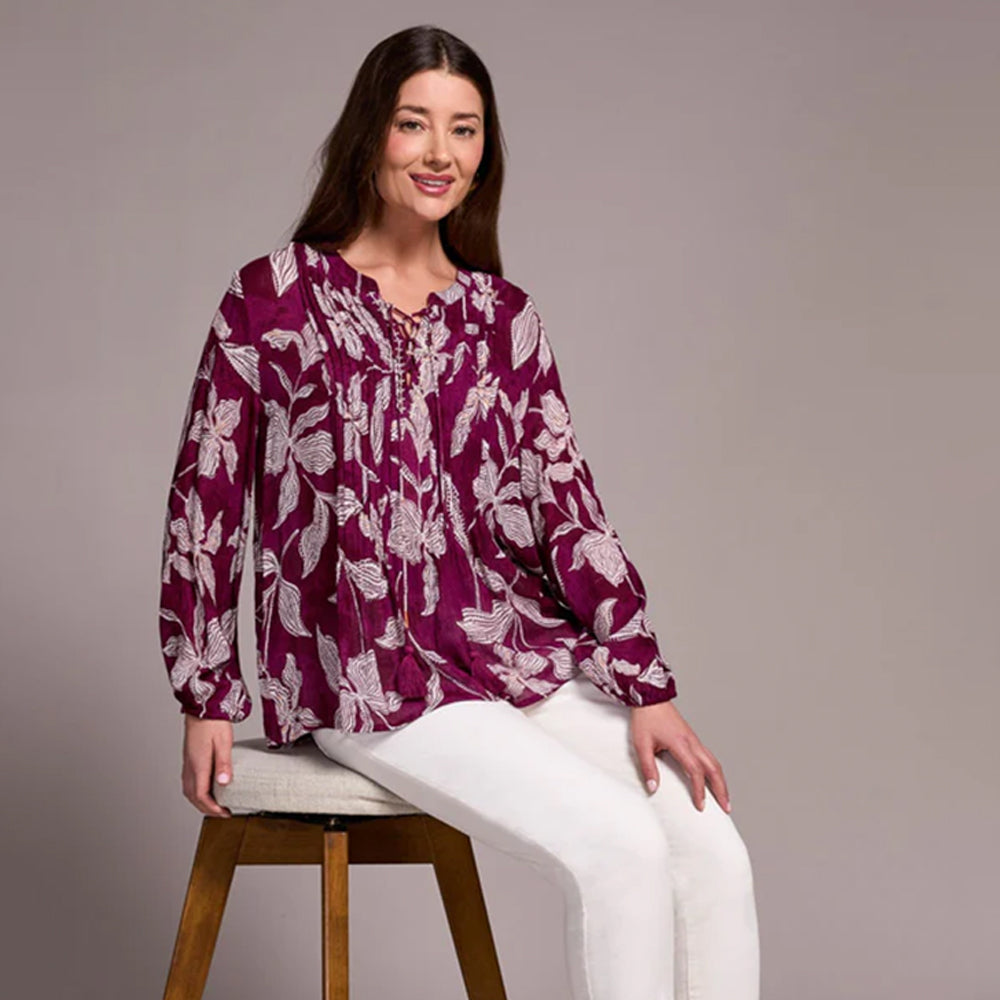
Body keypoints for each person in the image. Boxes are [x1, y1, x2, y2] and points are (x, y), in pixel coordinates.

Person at [158, 24, 760, 1000]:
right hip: (364, 672)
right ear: (370, 135)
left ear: (486, 151)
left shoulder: (502, 318)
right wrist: (205, 689)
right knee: (618, 852)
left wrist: (645, 684)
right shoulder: (272, 302)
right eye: (414, 124)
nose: (441, 153)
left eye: (465, 130)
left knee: (707, 845)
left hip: (508, 652)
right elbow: (207, 495)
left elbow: (571, 510)